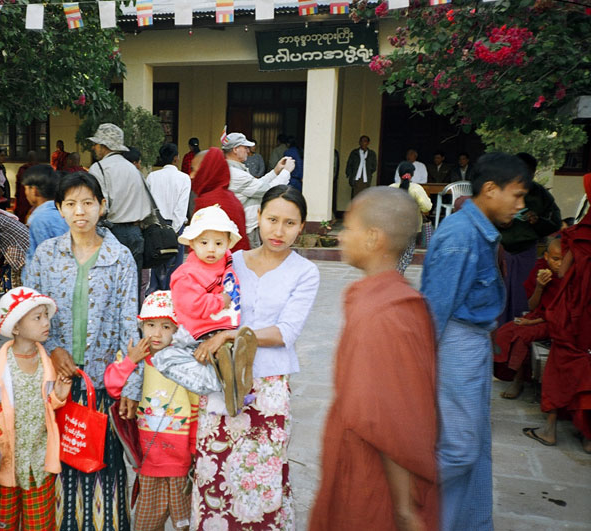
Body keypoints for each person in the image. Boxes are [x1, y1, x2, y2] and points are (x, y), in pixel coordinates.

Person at [189, 185, 320, 528]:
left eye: (290, 223)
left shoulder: (305, 272)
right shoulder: (230, 261)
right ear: (257, 218)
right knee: (213, 473)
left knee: (262, 479)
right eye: (272, 219)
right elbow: (196, 303)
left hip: (269, 389)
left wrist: (233, 334)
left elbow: (285, 333)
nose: (279, 231)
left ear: (301, 226)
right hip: (220, 382)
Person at [310, 187, 439, 531]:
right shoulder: (380, 297)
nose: (340, 235)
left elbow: (391, 423)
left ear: (372, 238)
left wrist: (404, 509)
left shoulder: (388, 313)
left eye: (348, 227)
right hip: (354, 450)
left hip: (372, 473)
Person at [421, 152, 531, 531]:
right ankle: (417, 514)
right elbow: (433, 312)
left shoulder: (478, 230)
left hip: (473, 345)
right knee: (458, 450)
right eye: (516, 195)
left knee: (475, 447)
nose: (521, 205)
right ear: (489, 189)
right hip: (456, 346)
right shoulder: (459, 237)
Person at [26, 171, 140, 530]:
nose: (80, 211)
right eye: (71, 203)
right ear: (59, 209)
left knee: (104, 463)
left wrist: (129, 387)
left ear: (102, 206)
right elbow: (29, 313)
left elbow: (128, 325)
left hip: (102, 385)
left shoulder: (119, 257)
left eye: (88, 202)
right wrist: (54, 348)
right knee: (59, 465)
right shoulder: (46, 255)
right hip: (55, 384)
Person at [0, 286, 72, 531]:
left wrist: (58, 396)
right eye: (37, 318)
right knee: (2, 524)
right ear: (15, 327)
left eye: (46, 316)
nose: (46, 322)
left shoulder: (47, 366)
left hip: (39, 466)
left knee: (40, 525)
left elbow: (48, 407)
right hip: (5, 467)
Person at [104, 291, 197, 531]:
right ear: (141, 326)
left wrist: (194, 449)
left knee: (184, 523)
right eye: (150, 325)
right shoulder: (137, 362)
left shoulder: (184, 364)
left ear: (177, 330)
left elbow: (196, 407)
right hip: (148, 463)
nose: (157, 333)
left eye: (166, 326)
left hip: (180, 464)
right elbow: (113, 387)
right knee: (145, 524)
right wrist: (131, 360)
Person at [153, 205, 257, 417]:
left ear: (227, 244)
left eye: (218, 243)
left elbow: (197, 304)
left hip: (208, 330)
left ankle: (224, 387)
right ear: (192, 244)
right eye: (204, 242)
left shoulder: (212, 266)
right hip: (209, 329)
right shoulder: (190, 273)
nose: (211, 249)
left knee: (170, 358)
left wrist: (221, 301)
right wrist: (221, 300)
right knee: (178, 359)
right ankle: (229, 386)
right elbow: (192, 303)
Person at [523, 172, 591, 454]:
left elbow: (562, 272)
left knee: (560, 367)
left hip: (575, 314)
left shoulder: (579, 235)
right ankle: (587, 438)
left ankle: (550, 430)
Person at [494, 238, 563, 399]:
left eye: (563, 259)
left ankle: (518, 381)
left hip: (556, 322)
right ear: (545, 256)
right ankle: (508, 373)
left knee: (521, 336)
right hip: (539, 315)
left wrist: (530, 322)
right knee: (504, 332)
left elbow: (561, 312)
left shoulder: (569, 276)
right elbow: (532, 306)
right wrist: (539, 286)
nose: (559, 264)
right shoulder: (540, 269)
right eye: (555, 259)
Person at [497, 152, 561, 324]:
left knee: (523, 297)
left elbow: (555, 222)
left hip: (526, 254)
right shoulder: (499, 189)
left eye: (530, 173)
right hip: (499, 253)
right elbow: (483, 217)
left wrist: (537, 221)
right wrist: (500, 222)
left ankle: (520, 337)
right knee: (498, 300)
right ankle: (498, 340)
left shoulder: (540, 194)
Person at [87, 123, 152, 285]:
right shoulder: (133, 169)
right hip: (136, 233)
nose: (94, 148)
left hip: (111, 232)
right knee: (132, 286)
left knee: (108, 287)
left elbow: (100, 207)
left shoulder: (99, 168)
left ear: (104, 146)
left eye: (96, 144)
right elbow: (147, 205)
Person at [223, 132, 294, 249]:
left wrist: (276, 171)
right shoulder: (236, 174)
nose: (248, 150)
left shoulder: (233, 170)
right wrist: (286, 172)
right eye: (245, 147)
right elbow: (267, 191)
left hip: (244, 223)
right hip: (247, 225)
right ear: (235, 149)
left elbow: (257, 185)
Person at [145, 143, 191, 293]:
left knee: (156, 268)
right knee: (174, 270)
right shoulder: (184, 178)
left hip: (156, 225)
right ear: (176, 158)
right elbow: (181, 207)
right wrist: (175, 230)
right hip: (175, 226)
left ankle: (155, 304)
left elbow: (148, 204)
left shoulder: (152, 177)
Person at [189, 149, 249, 253]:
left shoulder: (208, 202)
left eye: (195, 170)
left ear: (207, 171)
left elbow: (199, 248)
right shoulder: (229, 197)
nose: (192, 175)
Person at [19, 164, 68, 284]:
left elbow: (40, 259)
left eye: (26, 188)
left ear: (34, 190)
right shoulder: (63, 212)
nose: (25, 193)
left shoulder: (38, 219)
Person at [390, 162, 433, 274]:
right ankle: (398, 274)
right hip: (411, 228)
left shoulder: (391, 188)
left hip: (393, 228)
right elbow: (427, 207)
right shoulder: (416, 189)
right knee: (406, 255)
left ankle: (393, 274)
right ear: (412, 174)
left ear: (399, 174)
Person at [14, 150, 38, 223]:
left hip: (27, 196)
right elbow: (18, 183)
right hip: (24, 196)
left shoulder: (24, 169)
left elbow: (18, 183)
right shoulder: (23, 169)